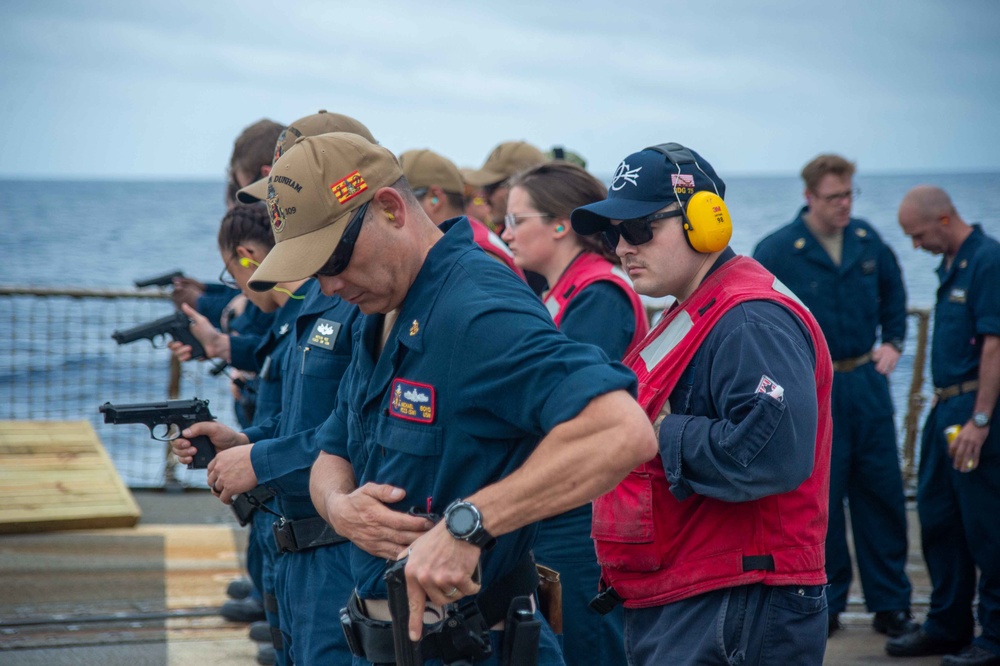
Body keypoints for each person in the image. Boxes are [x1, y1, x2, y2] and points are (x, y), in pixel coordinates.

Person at [243, 131, 655, 665]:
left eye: (333, 259)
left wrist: (471, 524)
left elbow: (620, 430)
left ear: (390, 209)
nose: (329, 286)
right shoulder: (382, 310)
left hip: (473, 645)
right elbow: (333, 450)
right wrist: (341, 510)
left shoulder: (475, 310)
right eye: (314, 270)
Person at [570, 142, 834, 665]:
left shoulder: (749, 320)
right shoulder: (697, 307)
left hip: (738, 600)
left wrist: (663, 431)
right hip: (696, 593)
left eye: (640, 229)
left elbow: (772, 455)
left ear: (705, 221)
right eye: (613, 233)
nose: (622, 247)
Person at [172, 110, 376, 666]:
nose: (279, 211)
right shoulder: (320, 295)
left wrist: (261, 459)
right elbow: (306, 417)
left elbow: (360, 438)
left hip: (336, 545)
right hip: (298, 537)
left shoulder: (362, 300)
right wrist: (245, 443)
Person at [753, 154, 916, 638]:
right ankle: (826, 604)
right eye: (833, 197)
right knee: (821, 498)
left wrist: (894, 342)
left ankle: (892, 605)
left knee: (882, 495)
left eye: (849, 194)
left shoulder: (867, 240)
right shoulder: (779, 249)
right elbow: (758, 312)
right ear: (809, 197)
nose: (844, 204)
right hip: (813, 389)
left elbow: (896, 295)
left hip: (865, 382)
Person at [501, 160, 649, 665]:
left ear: (562, 223)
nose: (506, 233)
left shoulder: (598, 296)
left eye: (517, 220)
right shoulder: (564, 292)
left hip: (588, 512)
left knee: (585, 647)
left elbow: (576, 413)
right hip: (565, 506)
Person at [888, 186, 1000, 666]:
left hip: (976, 411)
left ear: (944, 219)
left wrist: (980, 418)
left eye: (918, 235)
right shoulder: (952, 264)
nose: (915, 246)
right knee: (937, 517)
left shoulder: (988, 261)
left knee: (986, 527)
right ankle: (948, 623)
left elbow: (995, 347)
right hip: (945, 409)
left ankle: (994, 637)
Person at [398, 148, 523, 277]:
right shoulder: (467, 242)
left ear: (434, 198)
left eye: (401, 201)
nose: (394, 213)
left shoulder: (474, 255)